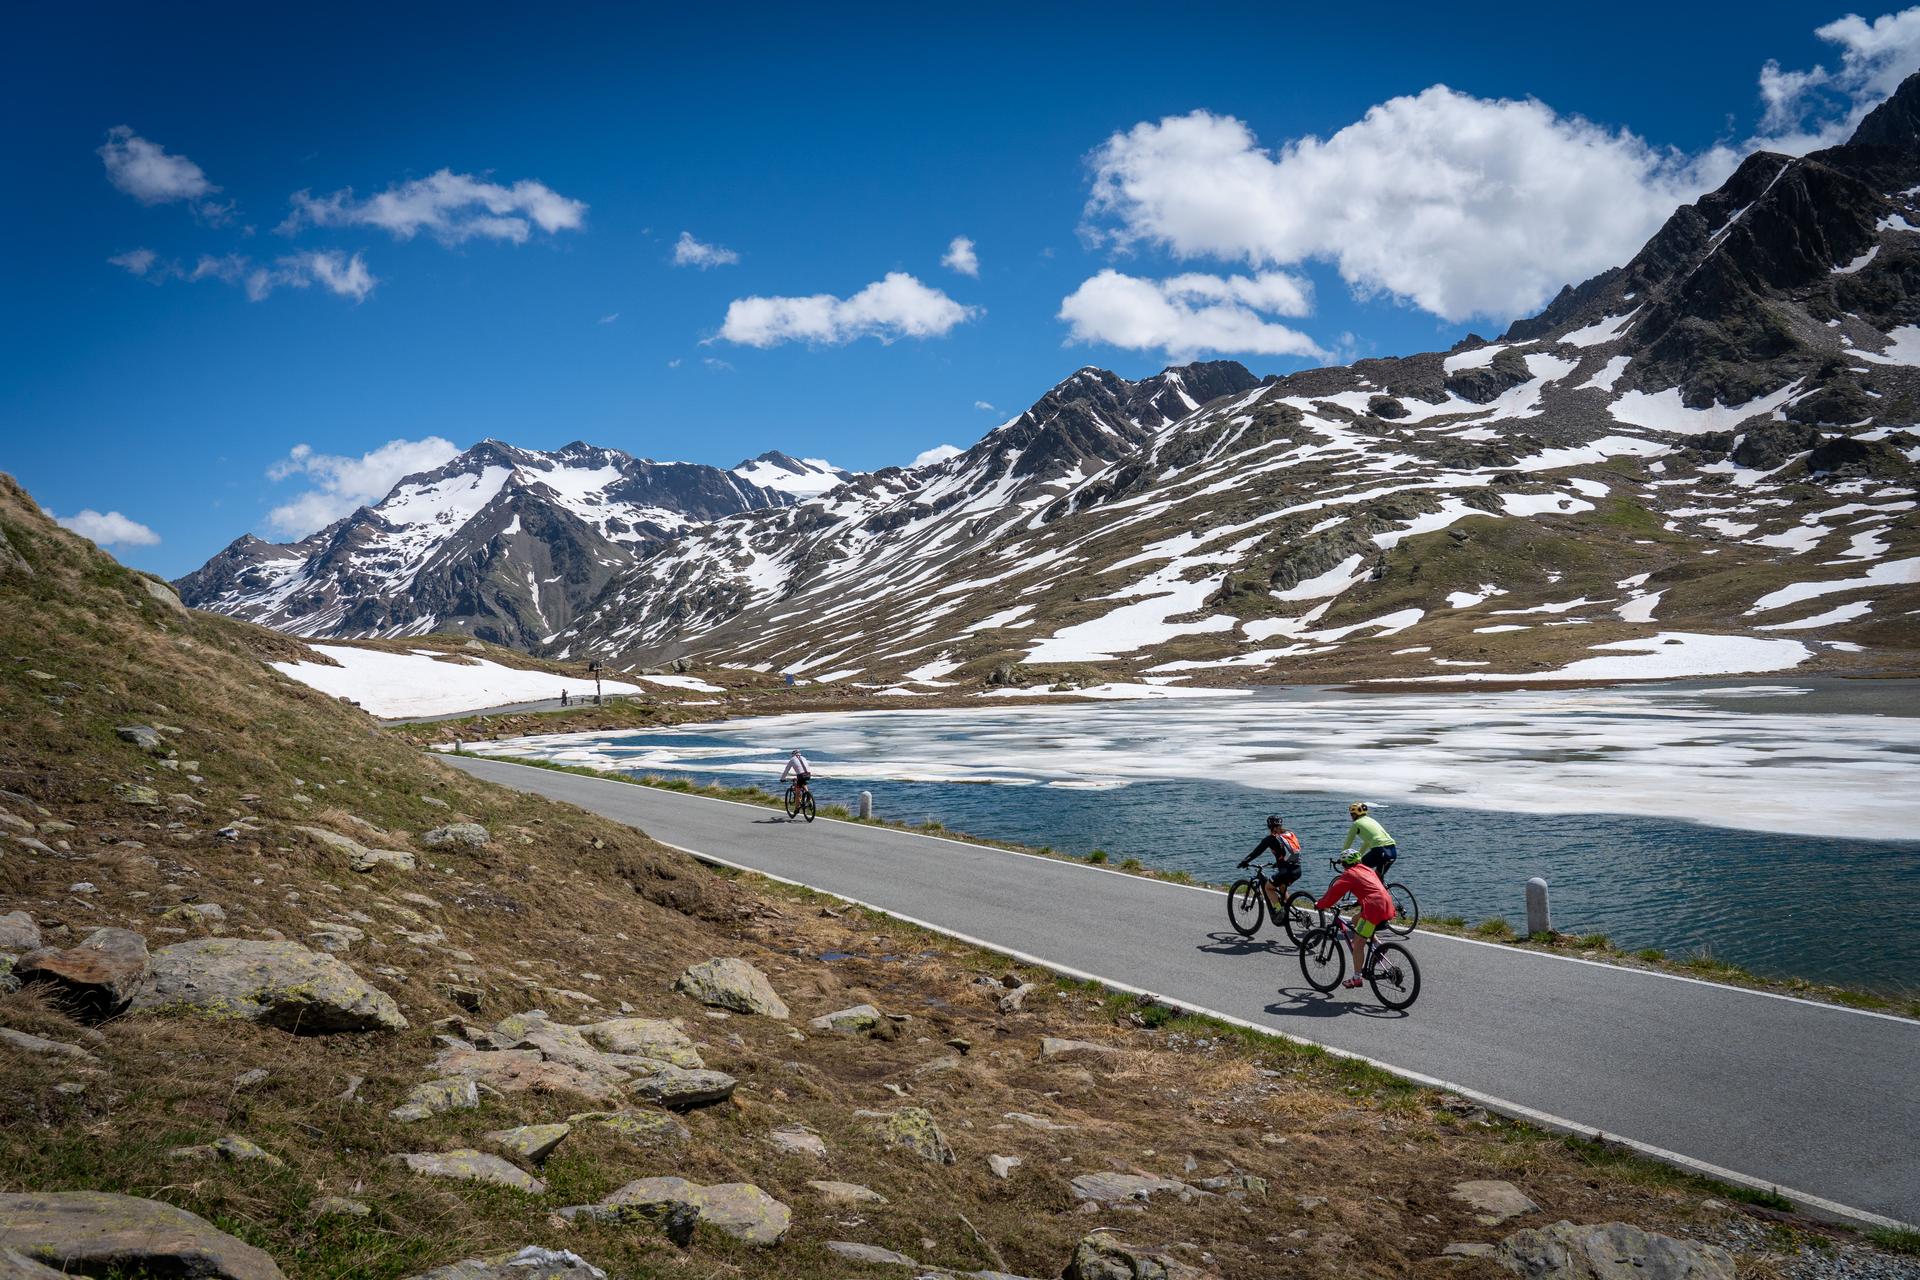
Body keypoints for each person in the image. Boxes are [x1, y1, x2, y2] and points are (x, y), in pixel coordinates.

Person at [1316, 849, 1397, 989]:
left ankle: (1357, 978)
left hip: (1373, 910)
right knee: (1355, 920)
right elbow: (1371, 889)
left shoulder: (1349, 874)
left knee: (1358, 945)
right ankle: (1378, 946)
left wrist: (1320, 904)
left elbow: (1334, 894)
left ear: (1345, 864)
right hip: (1386, 904)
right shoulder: (1367, 869)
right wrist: (1355, 903)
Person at [1238, 814, 1301, 911]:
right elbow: (1286, 853)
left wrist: (1245, 861)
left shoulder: (1270, 839)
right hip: (1297, 869)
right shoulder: (1288, 834)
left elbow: (1256, 852)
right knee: (1282, 887)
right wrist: (1278, 863)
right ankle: (1293, 912)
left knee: (1268, 887)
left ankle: (1279, 910)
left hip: (1286, 871)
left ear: (1270, 827)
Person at [1339, 802, 1398, 874]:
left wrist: (1342, 857)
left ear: (1355, 814)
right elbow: (1367, 842)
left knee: (1359, 868)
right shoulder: (1371, 820)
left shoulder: (1356, 823)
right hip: (1392, 850)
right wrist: (1359, 856)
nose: (1351, 817)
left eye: (1351, 814)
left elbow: (1349, 841)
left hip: (1380, 850)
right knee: (1378, 878)